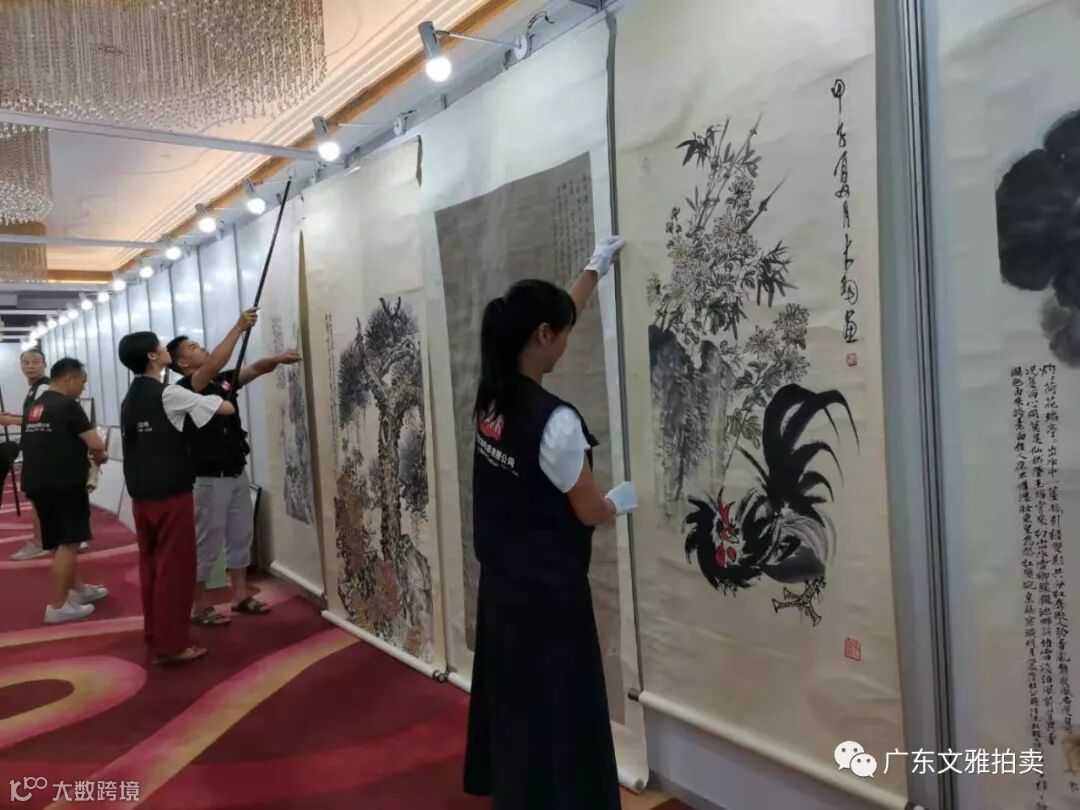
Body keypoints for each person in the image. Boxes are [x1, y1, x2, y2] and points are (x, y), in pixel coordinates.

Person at [463, 237, 638, 810]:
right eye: (561, 334)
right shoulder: (556, 424)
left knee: (517, 709)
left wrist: (593, 270)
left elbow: (561, 313)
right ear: (541, 336)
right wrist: (621, 501)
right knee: (559, 713)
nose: (566, 340)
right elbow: (589, 510)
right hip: (549, 599)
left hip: (503, 591)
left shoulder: (492, 397)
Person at [166, 310, 300, 626]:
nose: (201, 347)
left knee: (241, 537)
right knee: (208, 544)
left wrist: (276, 359)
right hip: (209, 479)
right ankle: (199, 606)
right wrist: (239, 327)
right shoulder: (189, 387)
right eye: (193, 347)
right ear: (182, 363)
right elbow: (213, 364)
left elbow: (254, 369)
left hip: (237, 472)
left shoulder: (220, 380)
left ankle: (240, 596)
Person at [118, 331, 235, 665]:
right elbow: (224, 408)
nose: (164, 347)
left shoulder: (130, 398)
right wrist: (223, 394)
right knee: (176, 569)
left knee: (152, 566)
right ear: (152, 356)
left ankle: (156, 633)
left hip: (141, 494)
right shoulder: (168, 393)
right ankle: (172, 645)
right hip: (171, 494)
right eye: (159, 345)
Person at [20, 358, 110, 624]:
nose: (82, 388)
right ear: (68, 379)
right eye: (82, 382)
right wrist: (100, 456)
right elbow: (95, 443)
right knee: (70, 541)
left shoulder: (35, 405)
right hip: (64, 483)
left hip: (36, 481)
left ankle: (78, 590)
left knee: (58, 541)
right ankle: (58, 606)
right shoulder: (69, 405)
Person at [0, 348, 53, 560]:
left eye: (36, 362)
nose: (30, 366)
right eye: (26, 362)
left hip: (42, 452)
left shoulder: (44, 388)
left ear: (45, 364)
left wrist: (10, 420)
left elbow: (41, 420)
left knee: (38, 498)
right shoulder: (34, 389)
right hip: (37, 450)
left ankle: (41, 542)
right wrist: (12, 416)